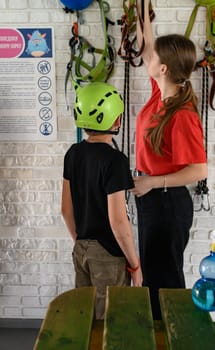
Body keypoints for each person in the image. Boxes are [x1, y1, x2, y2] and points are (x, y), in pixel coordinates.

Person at [131, 0, 208, 320]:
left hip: (167, 203)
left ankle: (174, 333)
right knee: (153, 275)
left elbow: (199, 169)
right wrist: (141, 8)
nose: (148, 59)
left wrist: (151, 181)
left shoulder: (182, 114)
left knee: (166, 279)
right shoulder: (159, 92)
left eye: (155, 60)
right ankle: (156, 332)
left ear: (164, 68)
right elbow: (147, 46)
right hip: (152, 199)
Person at [61, 81, 142, 320]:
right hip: (108, 254)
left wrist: (82, 241)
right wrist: (135, 265)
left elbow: (66, 210)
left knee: (85, 315)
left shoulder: (73, 154)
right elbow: (118, 222)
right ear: (116, 120)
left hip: (81, 249)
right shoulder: (115, 161)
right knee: (110, 320)